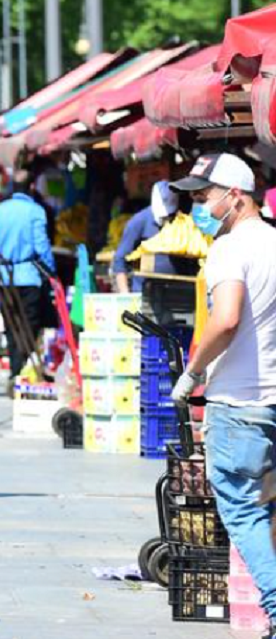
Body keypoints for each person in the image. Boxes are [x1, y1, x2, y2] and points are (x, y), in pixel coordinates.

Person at [169, 153, 276, 637]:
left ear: (236, 195)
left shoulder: (230, 249)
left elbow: (227, 318)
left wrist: (193, 372)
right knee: (268, 508)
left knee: (242, 510)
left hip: (241, 403)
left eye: (205, 195)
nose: (199, 204)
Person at [0, 170, 56, 378]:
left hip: (4, 276)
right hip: (28, 276)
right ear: (31, 187)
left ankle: (15, 370)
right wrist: (51, 272)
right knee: (30, 325)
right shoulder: (35, 211)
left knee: (11, 325)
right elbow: (42, 246)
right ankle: (23, 369)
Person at [112, 181, 179, 292]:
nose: (167, 219)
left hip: (176, 290)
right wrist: (125, 293)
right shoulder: (139, 222)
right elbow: (120, 259)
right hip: (145, 292)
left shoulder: (180, 221)